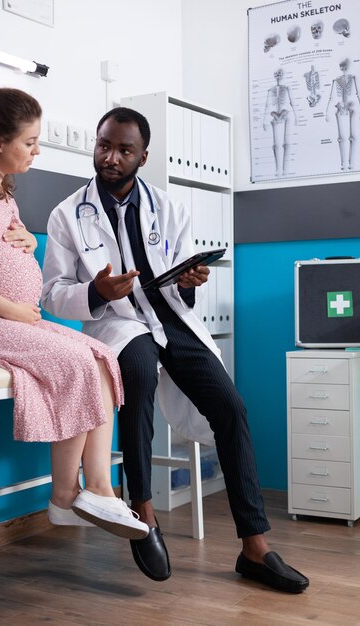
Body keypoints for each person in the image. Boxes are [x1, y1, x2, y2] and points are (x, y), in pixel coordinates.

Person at [41, 107, 310, 593]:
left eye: (124, 150)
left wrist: (189, 282)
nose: (111, 157)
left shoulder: (170, 207)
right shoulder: (67, 214)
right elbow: (53, 291)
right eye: (104, 145)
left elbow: (185, 281)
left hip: (171, 318)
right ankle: (143, 513)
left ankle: (255, 546)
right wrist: (98, 292)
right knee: (139, 376)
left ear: (144, 156)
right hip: (118, 324)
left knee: (230, 407)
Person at [0, 85, 149, 542]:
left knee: (100, 356)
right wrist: (13, 311)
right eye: (30, 141)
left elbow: (3, 238)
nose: (37, 149)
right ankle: (66, 494)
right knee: (75, 361)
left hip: (4, 318)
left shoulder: (0, 189)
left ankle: (95, 489)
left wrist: (28, 243)